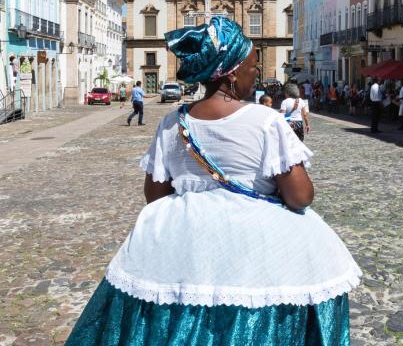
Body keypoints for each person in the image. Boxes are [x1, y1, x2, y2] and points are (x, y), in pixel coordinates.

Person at [65, 17, 361, 345]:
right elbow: (300, 196)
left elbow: (155, 194)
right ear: (231, 72)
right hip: (255, 244)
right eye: (252, 66)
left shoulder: (171, 123)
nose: (257, 72)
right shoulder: (265, 121)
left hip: (185, 243)